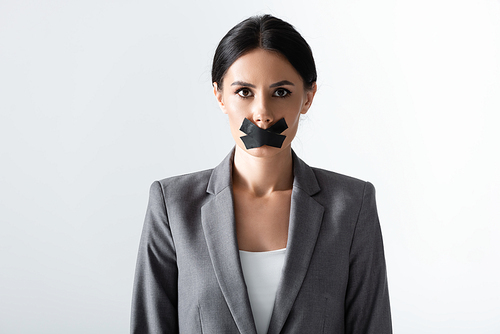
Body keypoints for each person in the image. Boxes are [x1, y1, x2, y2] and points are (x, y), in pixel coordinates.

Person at [131, 14, 392, 334]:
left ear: (307, 97)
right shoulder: (172, 205)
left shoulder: (351, 205)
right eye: (244, 92)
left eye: (281, 92)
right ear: (219, 96)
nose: (263, 114)